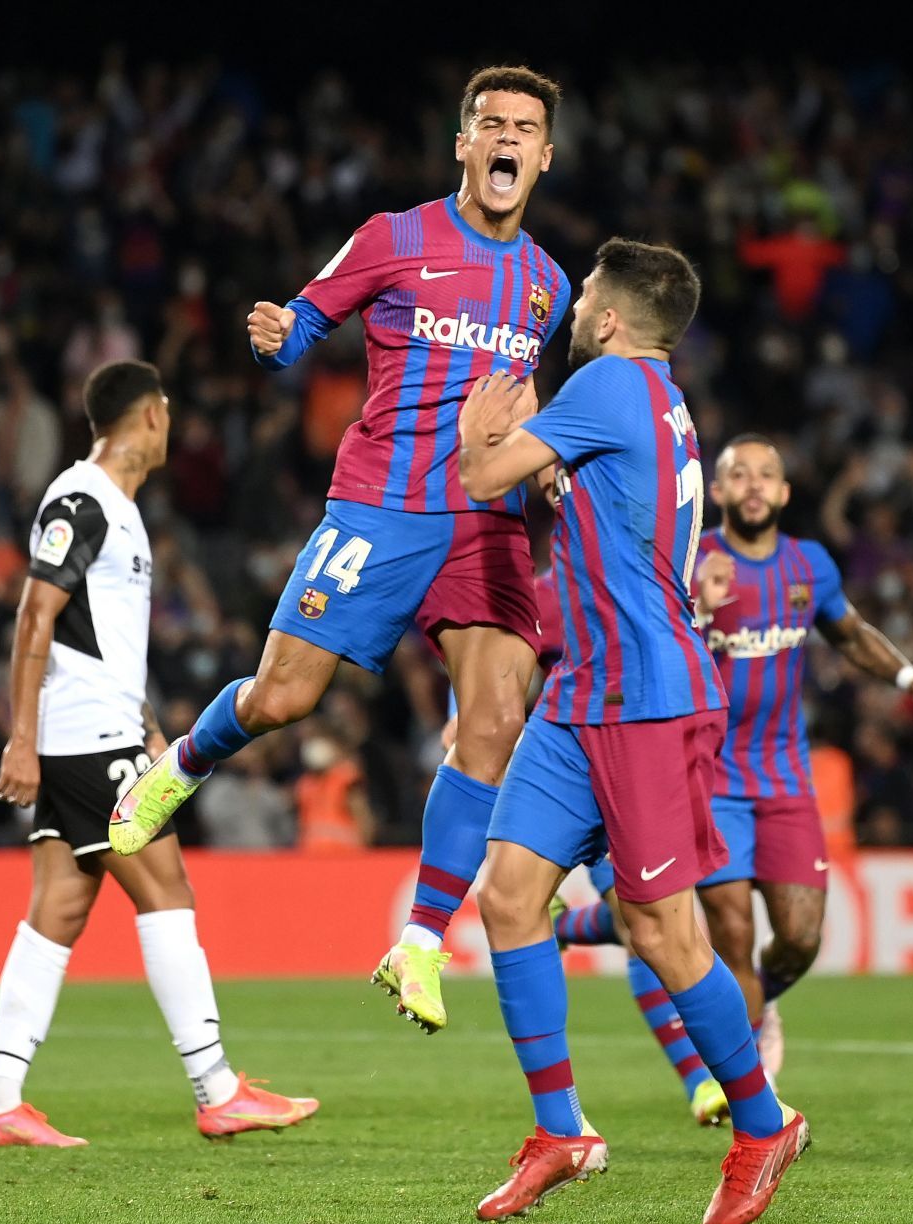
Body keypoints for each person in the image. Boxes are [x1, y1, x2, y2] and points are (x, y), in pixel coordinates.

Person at [111, 66, 572, 1036]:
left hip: (481, 523)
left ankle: (420, 936)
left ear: (543, 154)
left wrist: (542, 463)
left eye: (524, 128)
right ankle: (178, 765)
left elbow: (523, 401)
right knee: (284, 696)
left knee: (493, 714)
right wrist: (278, 334)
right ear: (463, 143)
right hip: (381, 510)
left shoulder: (547, 284)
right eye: (490, 122)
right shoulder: (395, 237)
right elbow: (302, 322)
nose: (506, 138)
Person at [455, 238, 806, 1224]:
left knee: (662, 930)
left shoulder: (612, 382)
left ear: (611, 317)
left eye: (585, 298)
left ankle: (760, 1120)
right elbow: (562, 507)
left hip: (646, 697)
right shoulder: (644, 399)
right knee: (511, 892)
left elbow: (484, 477)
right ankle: (559, 1127)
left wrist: (483, 423)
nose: (573, 309)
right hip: (583, 692)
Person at [0, 359, 317, 1147]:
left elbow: (101, 641)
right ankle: (218, 1088)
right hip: (84, 737)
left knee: (58, 910)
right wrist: (21, 737)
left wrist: (148, 722)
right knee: (168, 890)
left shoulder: (119, 509)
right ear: (153, 415)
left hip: (104, 726)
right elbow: (35, 615)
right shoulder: (83, 497)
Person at [618, 436, 913, 1085]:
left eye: (767, 475)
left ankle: (762, 1004)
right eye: (739, 476)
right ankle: (751, 1097)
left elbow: (850, 633)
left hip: (785, 778)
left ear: (784, 493)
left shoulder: (809, 565)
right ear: (718, 492)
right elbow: (647, 645)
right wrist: (698, 607)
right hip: (711, 778)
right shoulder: (689, 561)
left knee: (801, 938)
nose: (753, 485)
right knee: (730, 931)